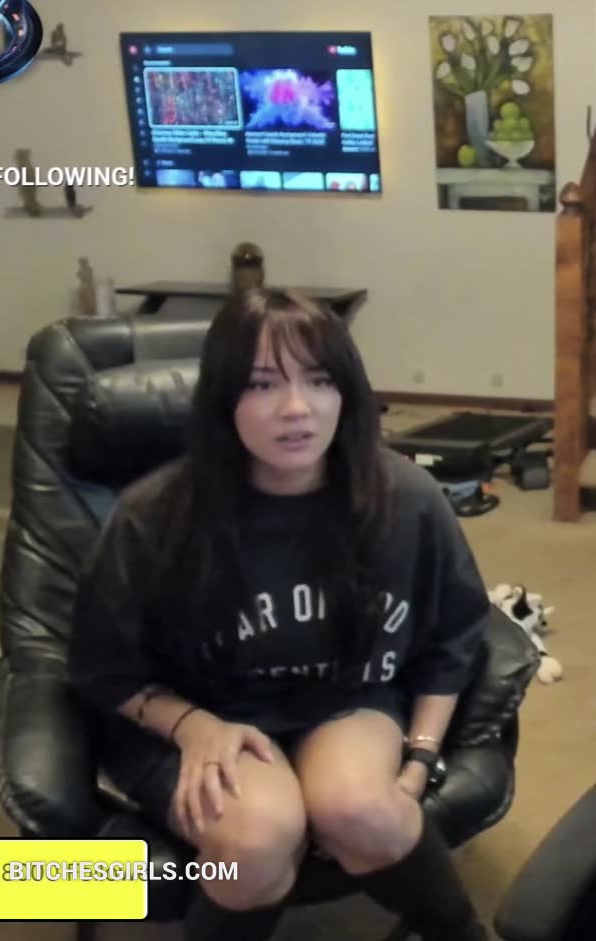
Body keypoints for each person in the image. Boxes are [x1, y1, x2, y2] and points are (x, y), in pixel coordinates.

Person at [68, 287, 491, 941]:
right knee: (255, 839)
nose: (296, 408)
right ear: (223, 399)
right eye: (262, 384)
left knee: (364, 810)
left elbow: (452, 637)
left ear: (347, 393)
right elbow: (101, 668)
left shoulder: (405, 496)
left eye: (319, 381)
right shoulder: (152, 516)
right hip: (204, 715)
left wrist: (419, 757)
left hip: (345, 700)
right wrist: (191, 725)